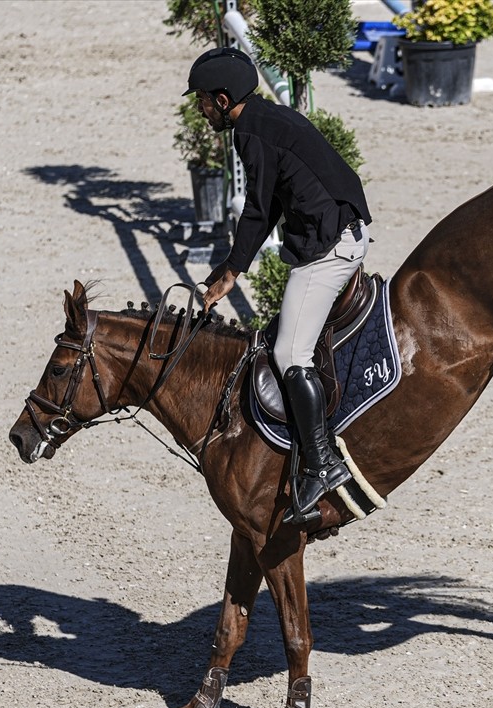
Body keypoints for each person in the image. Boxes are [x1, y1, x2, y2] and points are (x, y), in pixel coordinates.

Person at [187, 48, 372, 526]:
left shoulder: (250, 134)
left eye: (203, 102)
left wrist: (231, 267)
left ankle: (321, 464)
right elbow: (266, 205)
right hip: (340, 227)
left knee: (290, 355)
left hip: (332, 247)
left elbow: (256, 208)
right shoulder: (265, 119)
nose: (201, 109)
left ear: (223, 99)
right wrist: (233, 268)